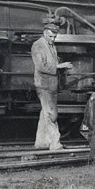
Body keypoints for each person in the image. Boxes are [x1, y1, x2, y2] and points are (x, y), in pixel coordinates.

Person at [31, 22, 73, 150]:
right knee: (51, 114)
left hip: (50, 84)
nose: (53, 39)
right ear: (44, 33)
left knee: (46, 112)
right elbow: (40, 66)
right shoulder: (38, 45)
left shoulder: (50, 44)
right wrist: (59, 66)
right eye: (51, 36)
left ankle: (41, 142)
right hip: (44, 84)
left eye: (55, 37)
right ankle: (55, 144)